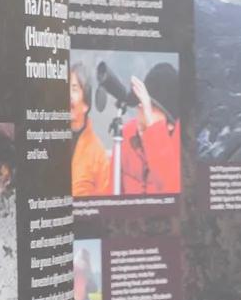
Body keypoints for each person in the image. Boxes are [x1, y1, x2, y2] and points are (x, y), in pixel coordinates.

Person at [117, 62, 183, 195]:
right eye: (141, 101)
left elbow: (171, 190)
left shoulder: (182, 149)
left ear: (170, 124)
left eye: (151, 106)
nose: (142, 107)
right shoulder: (125, 135)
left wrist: (152, 129)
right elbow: (110, 191)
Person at [69, 67, 113, 199]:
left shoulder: (97, 152)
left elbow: (104, 202)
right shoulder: (48, 138)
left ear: (85, 105)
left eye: (74, 89)